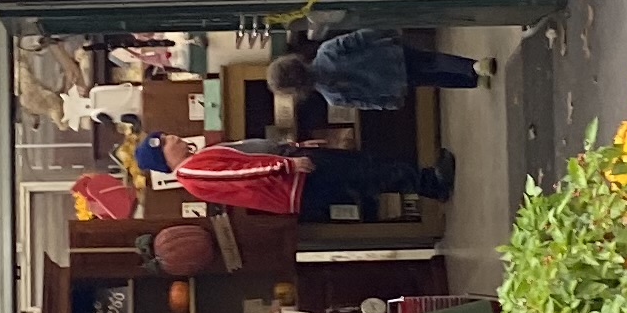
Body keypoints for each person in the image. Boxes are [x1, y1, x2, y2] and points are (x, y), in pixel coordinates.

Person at [167, 133, 454, 220]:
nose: (172, 136)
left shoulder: (193, 170)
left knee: (362, 173)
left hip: (292, 181)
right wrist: (288, 165)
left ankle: (428, 183)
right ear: (163, 157)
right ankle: (431, 182)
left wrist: (294, 150)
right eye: (166, 141)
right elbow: (241, 173)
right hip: (292, 180)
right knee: (363, 171)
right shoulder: (193, 170)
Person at [273, 27, 486, 119]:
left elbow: (364, 103)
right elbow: (359, 38)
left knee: (430, 79)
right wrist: (386, 33)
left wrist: (388, 103)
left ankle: (471, 81)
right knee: (431, 60)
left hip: (392, 83)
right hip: (389, 56)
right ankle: (473, 66)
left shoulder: (332, 97)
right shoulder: (327, 51)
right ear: (296, 61)